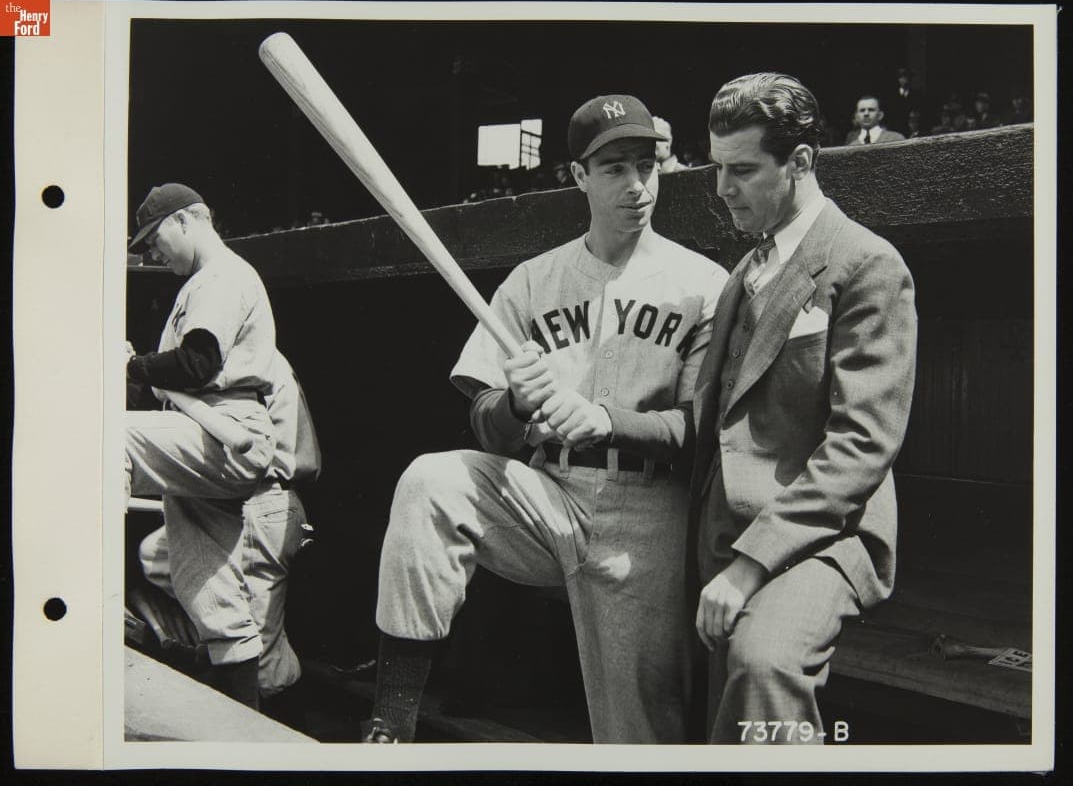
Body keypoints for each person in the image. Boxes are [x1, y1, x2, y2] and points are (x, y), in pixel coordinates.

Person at [363, 94, 728, 744]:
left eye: (647, 164)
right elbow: (486, 427)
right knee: (430, 483)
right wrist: (516, 404)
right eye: (613, 167)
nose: (636, 185)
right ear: (577, 176)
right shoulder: (534, 281)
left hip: (649, 516)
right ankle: (389, 726)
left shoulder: (704, 284)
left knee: (639, 736)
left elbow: (701, 431)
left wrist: (603, 419)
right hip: (549, 495)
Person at [693, 73, 917, 743]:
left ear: (799, 162)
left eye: (741, 169)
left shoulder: (867, 263)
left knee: (763, 666)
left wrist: (748, 564)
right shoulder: (744, 272)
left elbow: (861, 446)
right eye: (715, 167)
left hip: (823, 536)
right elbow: (708, 418)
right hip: (717, 528)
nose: (720, 188)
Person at [124, 183, 317, 712]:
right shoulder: (203, 283)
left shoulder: (223, 276)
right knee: (212, 601)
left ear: (189, 219)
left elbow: (198, 363)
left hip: (230, 433)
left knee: (105, 438)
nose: (152, 254)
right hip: (206, 444)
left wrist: (133, 366)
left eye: (155, 238)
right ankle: (246, 734)